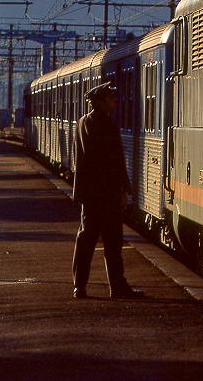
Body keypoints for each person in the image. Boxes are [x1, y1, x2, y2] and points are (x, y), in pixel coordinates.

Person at [71, 82, 142, 299]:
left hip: (89, 195)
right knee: (113, 243)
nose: (115, 102)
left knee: (85, 241)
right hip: (107, 194)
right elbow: (116, 162)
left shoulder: (82, 123)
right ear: (100, 103)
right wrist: (124, 189)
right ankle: (117, 287)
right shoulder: (108, 125)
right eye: (111, 99)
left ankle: (79, 286)